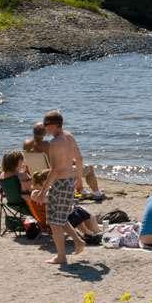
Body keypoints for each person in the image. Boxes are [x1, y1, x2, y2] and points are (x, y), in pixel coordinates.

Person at [34, 110, 86, 264]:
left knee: (54, 222)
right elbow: (79, 158)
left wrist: (43, 191)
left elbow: (55, 170)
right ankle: (78, 241)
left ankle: (61, 256)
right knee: (60, 217)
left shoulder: (55, 143)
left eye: (47, 125)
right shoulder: (69, 136)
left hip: (60, 182)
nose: (45, 128)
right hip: (69, 181)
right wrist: (79, 180)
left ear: (56, 125)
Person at [24, 121, 104, 200]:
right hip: (54, 175)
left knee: (73, 165)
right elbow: (61, 162)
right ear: (46, 133)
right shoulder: (47, 145)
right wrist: (75, 161)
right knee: (89, 169)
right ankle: (96, 193)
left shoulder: (26, 144)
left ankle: (81, 190)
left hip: (38, 175)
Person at [29, 170, 101, 238]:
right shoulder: (35, 193)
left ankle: (95, 232)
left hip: (59, 217)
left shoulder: (45, 191)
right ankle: (89, 233)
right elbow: (50, 200)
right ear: (45, 181)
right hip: (51, 223)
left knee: (81, 211)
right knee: (75, 213)